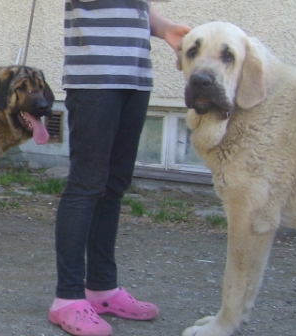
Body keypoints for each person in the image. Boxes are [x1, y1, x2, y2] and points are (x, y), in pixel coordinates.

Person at [48, 1, 191, 335]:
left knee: (113, 188)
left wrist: (165, 27)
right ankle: (66, 298)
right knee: (85, 187)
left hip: (136, 79)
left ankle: (101, 290)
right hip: (95, 80)